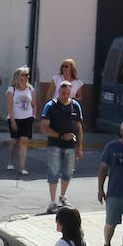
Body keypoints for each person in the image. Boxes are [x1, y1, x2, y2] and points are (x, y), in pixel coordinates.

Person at [40, 81, 83, 213]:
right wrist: (60, 136)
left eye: (68, 94)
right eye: (63, 93)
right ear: (59, 92)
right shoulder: (50, 106)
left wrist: (80, 147)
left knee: (68, 172)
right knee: (53, 172)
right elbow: (44, 128)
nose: (65, 96)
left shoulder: (75, 106)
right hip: (55, 145)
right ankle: (52, 202)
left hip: (71, 146)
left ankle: (63, 197)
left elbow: (79, 128)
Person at [6, 66, 36, 175]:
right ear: (19, 76)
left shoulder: (30, 89)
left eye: (27, 75)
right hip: (15, 118)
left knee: (24, 141)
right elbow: (9, 107)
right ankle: (11, 159)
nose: (27, 77)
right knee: (15, 142)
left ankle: (22, 167)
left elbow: (34, 104)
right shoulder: (11, 89)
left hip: (27, 118)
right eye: (24, 75)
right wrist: (13, 121)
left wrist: (33, 115)